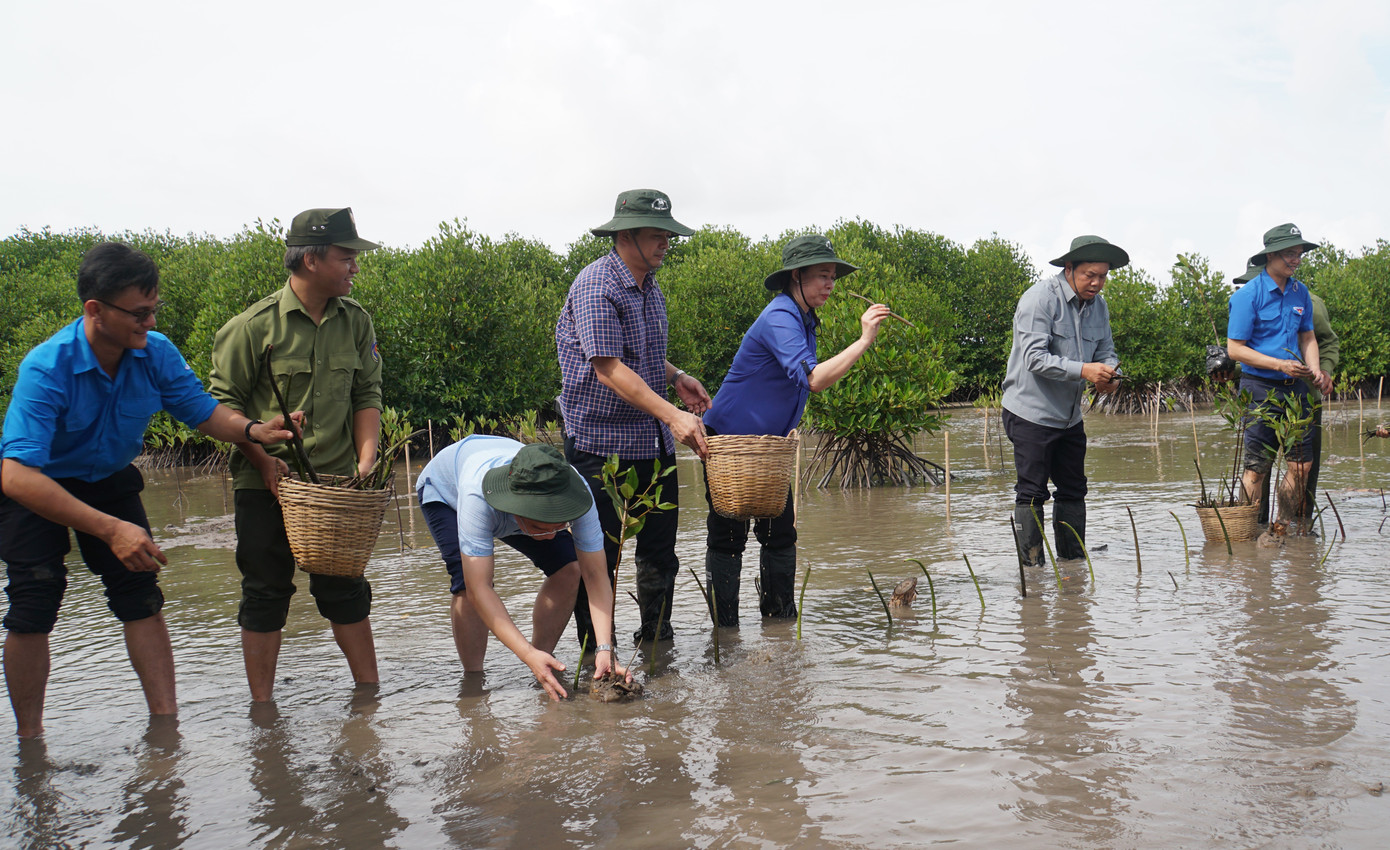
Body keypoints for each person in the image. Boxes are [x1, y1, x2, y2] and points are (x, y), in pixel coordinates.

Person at [0, 242, 297, 738]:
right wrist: (110, 528)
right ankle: (31, 741)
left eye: (153, 309)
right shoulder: (46, 367)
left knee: (141, 594)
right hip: (41, 484)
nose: (151, 323)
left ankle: (166, 727)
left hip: (110, 478)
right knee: (34, 601)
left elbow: (201, 411)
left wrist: (253, 433)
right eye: (139, 313)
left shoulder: (154, 352)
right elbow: (15, 476)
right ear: (95, 310)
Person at [208, 208, 384, 702]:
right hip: (266, 484)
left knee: (345, 590)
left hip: (334, 488)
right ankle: (262, 709)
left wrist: (364, 464)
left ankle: (369, 698)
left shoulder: (356, 321)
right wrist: (263, 460)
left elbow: (366, 396)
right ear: (309, 259)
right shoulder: (250, 328)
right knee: (265, 593)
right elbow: (222, 408)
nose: (355, 267)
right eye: (346, 257)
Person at [700, 234, 890, 626]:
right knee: (728, 538)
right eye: (822, 275)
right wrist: (864, 339)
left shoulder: (804, 319)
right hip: (731, 444)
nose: (830, 284)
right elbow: (814, 379)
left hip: (768, 447)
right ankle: (725, 634)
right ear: (796, 276)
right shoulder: (780, 315)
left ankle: (781, 626)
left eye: (833, 276)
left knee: (780, 534)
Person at [555, 188, 711, 647]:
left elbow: (640, 357)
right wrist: (673, 416)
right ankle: (596, 659)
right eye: (657, 235)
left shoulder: (649, 286)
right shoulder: (596, 284)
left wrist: (677, 375)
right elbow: (606, 368)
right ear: (626, 235)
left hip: (651, 443)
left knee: (660, 553)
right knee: (598, 556)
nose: (666, 243)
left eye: (668, 235)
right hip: (599, 445)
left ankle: (657, 651)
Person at [416, 436, 628, 699]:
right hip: (446, 494)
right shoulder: (476, 497)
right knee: (464, 580)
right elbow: (478, 588)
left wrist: (604, 649)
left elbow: (595, 575)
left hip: (520, 498)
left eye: (559, 524)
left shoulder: (577, 491)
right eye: (541, 527)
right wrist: (523, 652)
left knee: (569, 568)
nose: (551, 535)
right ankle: (474, 681)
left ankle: (543, 661)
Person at [1001, 235, 1125, 566]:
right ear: (1069, 268)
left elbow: (1107, 351)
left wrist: (1110, 374)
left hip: (1070, 416)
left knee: (1074, 490)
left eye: (1103, 276)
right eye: (1090, 275)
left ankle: (1073, 570)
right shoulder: (1039, 300)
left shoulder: (1099, 306)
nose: (1097, 283)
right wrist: (1085, 370)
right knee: (1032, 494)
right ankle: (1033, 571)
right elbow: (1034, 359)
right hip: (1030, 412)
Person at [1225, 223, 1330, 522]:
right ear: (1269, 256)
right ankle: (1248, 533)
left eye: (1298, 254)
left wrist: (1315, 370)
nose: (1295, 260)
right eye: (1289, 254)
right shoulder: (1249, 295)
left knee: (1301, 466)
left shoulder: (1301, 292)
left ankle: (1283, 527)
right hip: (1259, 387)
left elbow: (1308, 336)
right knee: (1257, 468)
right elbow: (1235, 349)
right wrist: (1279, 364)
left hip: (1296, 388)